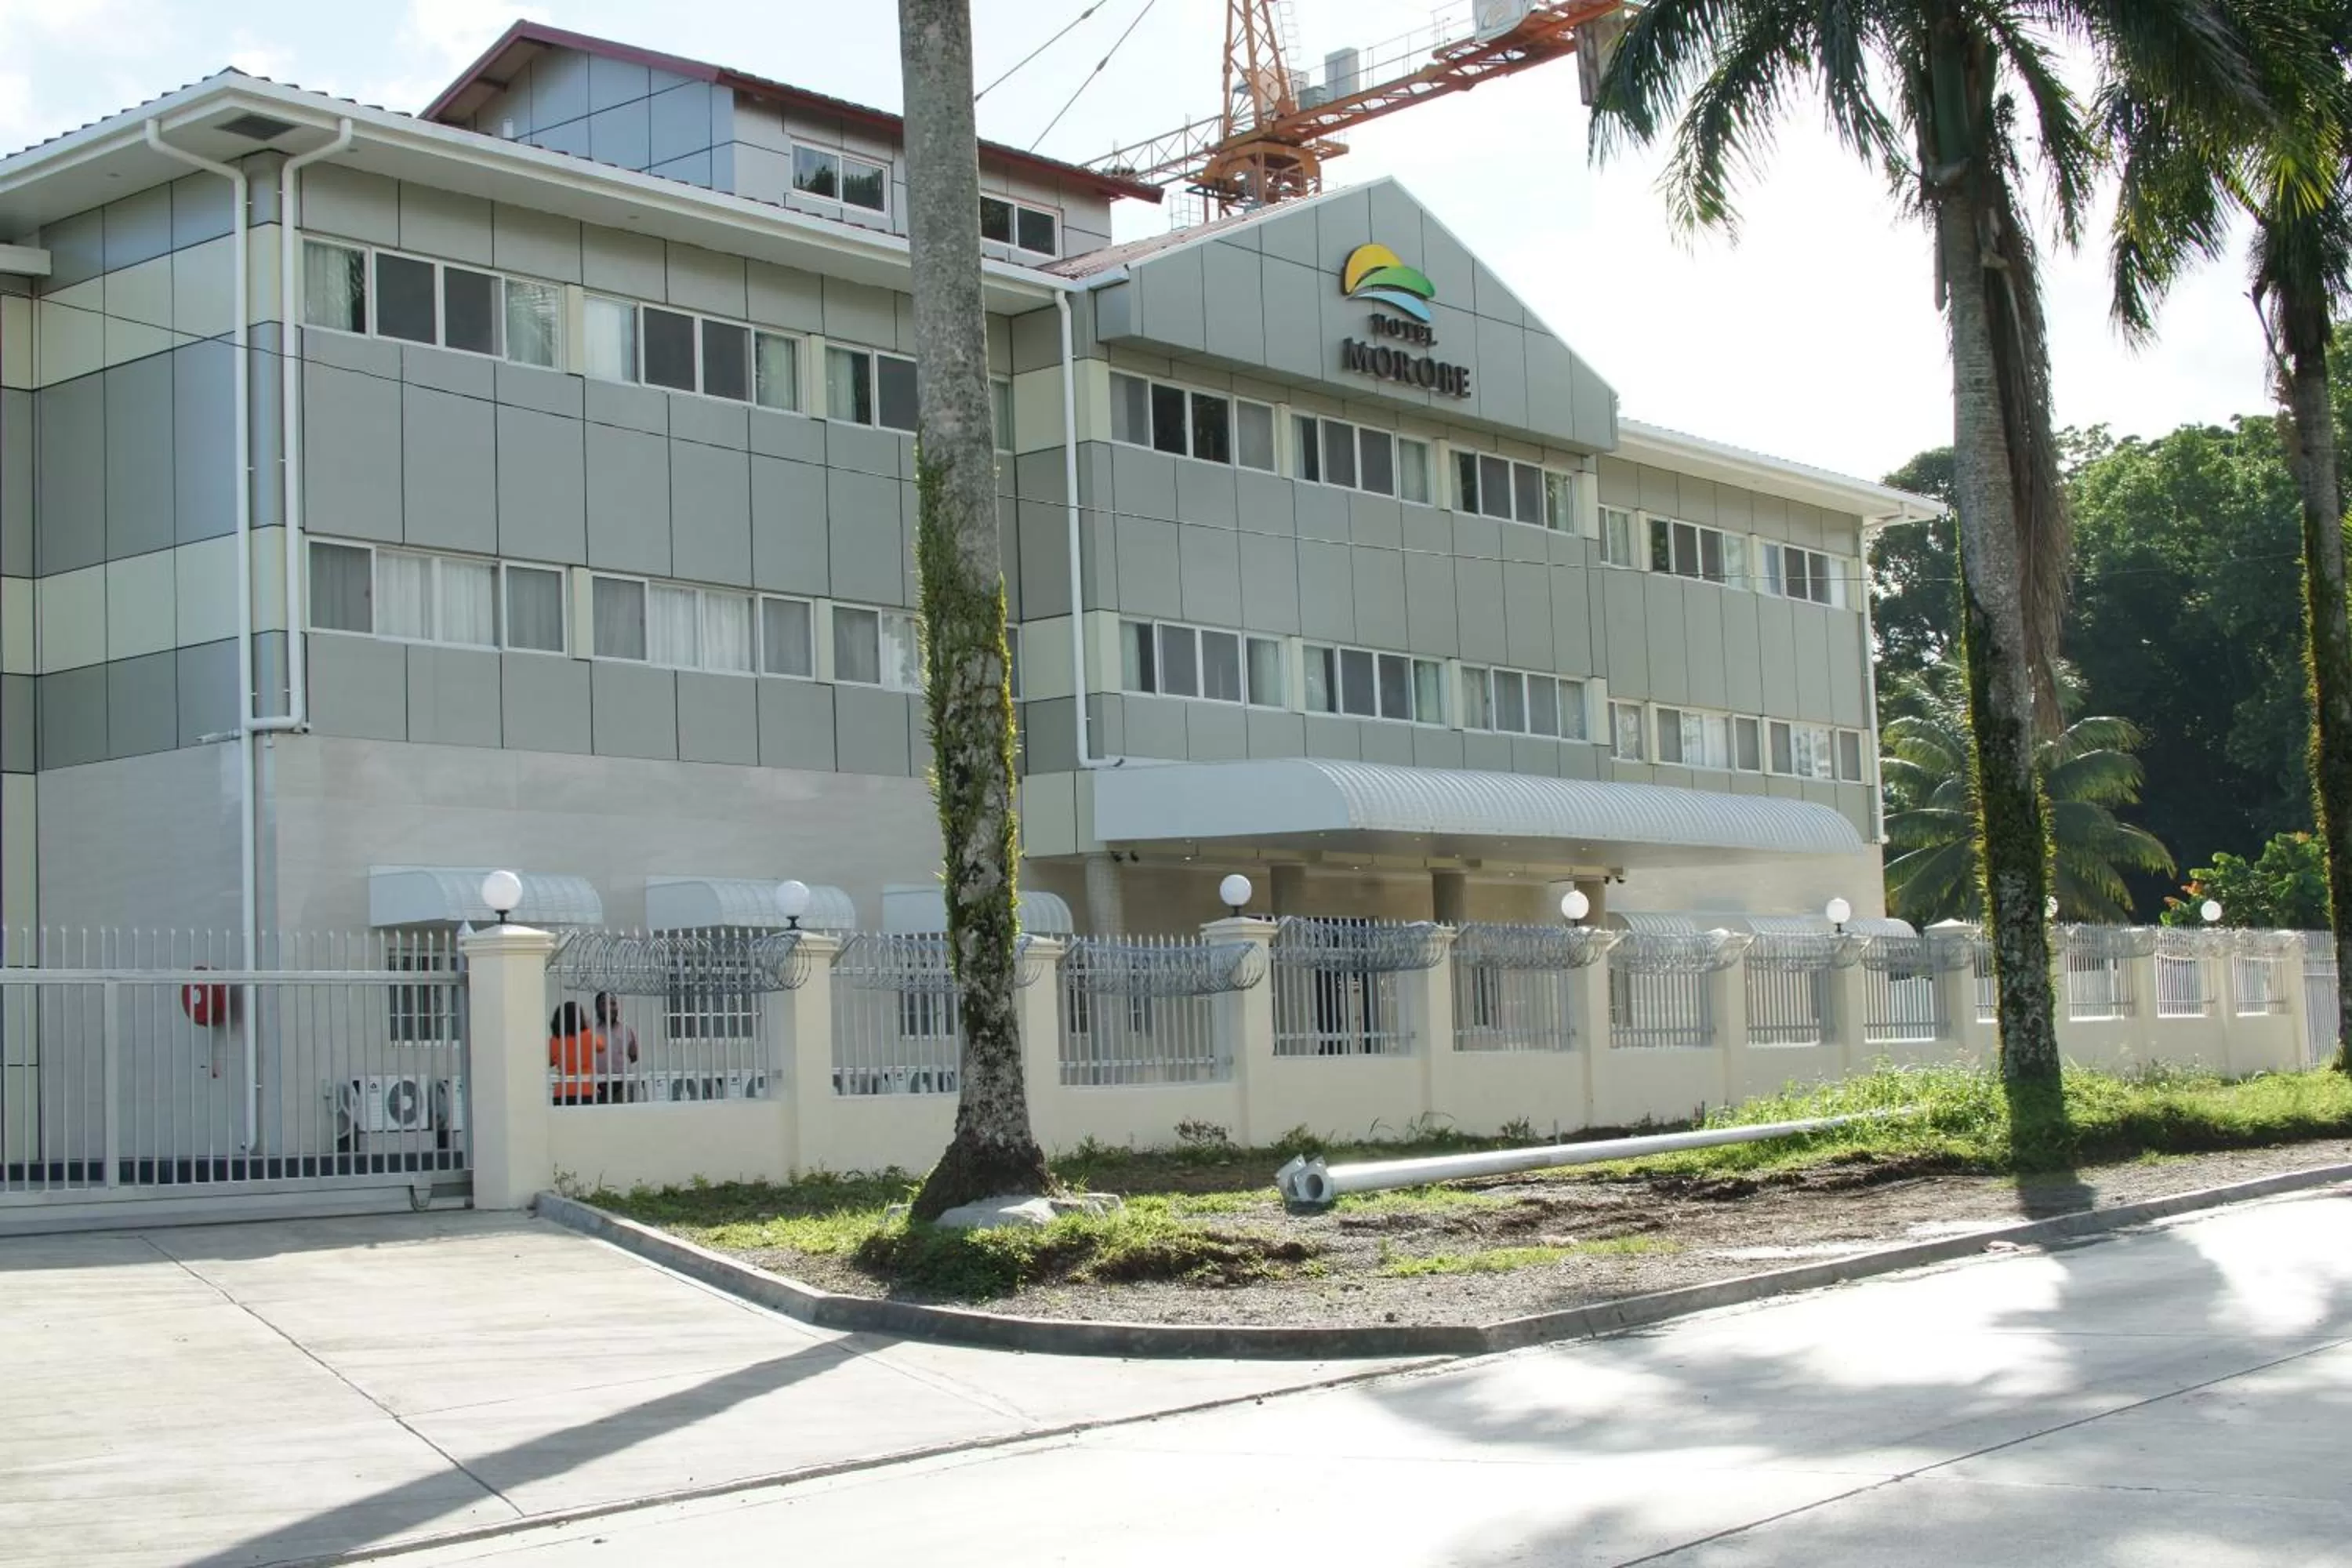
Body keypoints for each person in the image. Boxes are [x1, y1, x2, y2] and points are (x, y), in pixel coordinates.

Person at [548, 1001, 606, 1106]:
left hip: (562, 1092)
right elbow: (602, 1047)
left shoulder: (554, 1040)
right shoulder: (589, 1036)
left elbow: (550, 1062)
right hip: (586, 1090)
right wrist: (587, 1028)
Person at [593, 992, 640, 1102]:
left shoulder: (626, 1030)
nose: (610, 1008)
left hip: (622, 1084)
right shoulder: (591, 1031)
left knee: (623, 1117)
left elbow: (634, 1056)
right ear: (597, 1008)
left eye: (613, 1004)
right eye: (604, 1004)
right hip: (597, 1085)